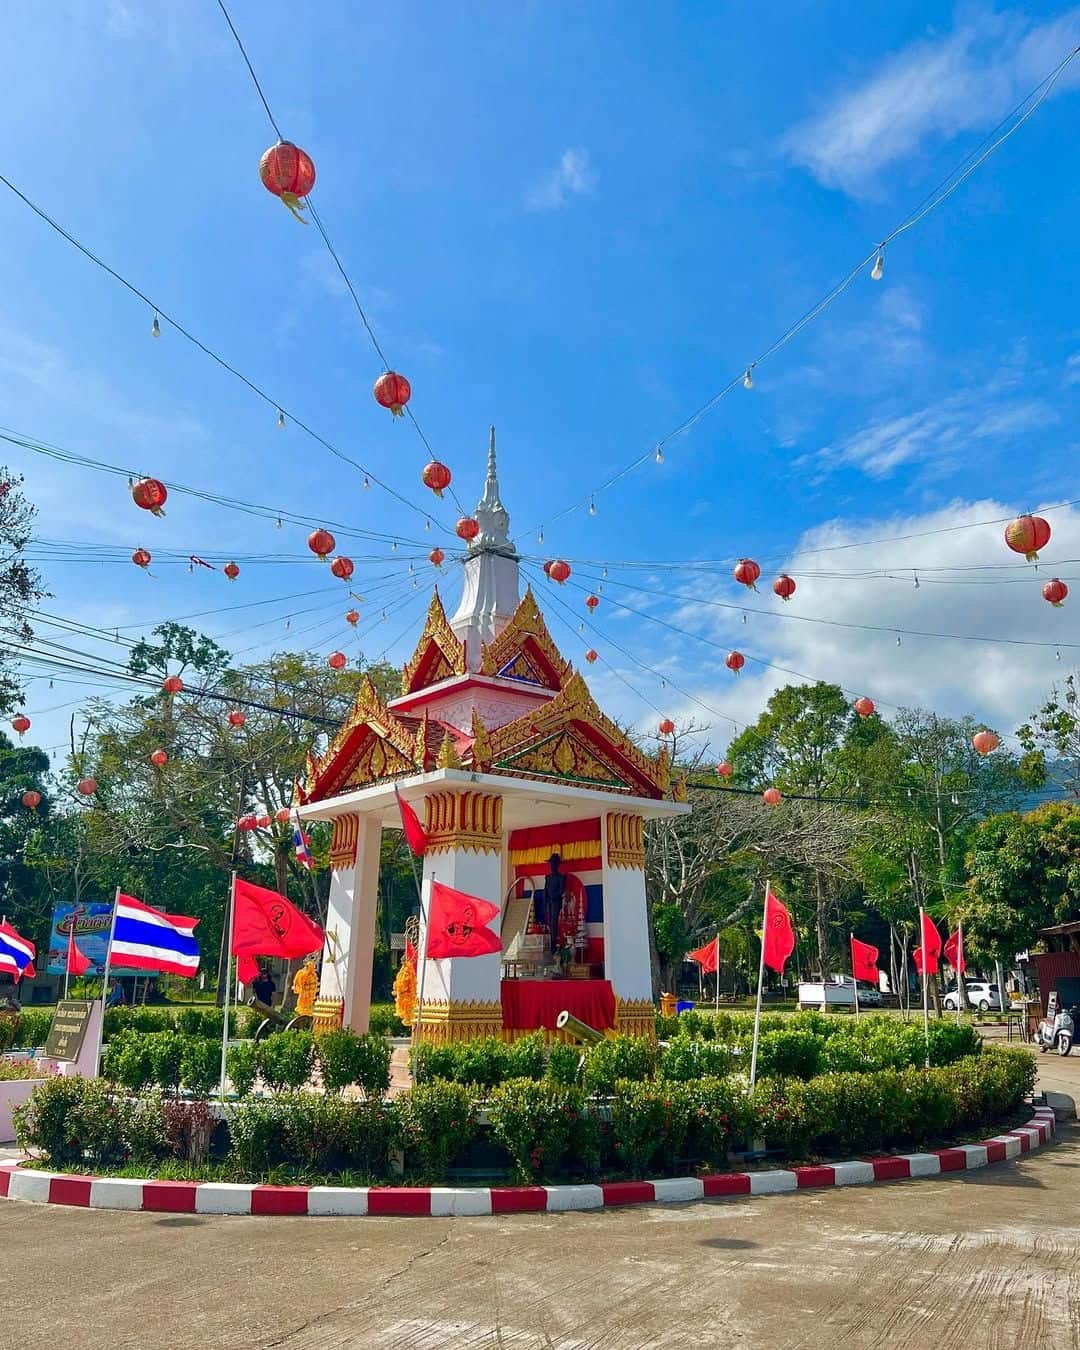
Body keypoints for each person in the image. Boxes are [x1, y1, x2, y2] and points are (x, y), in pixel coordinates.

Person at [536, 853, 566, 953]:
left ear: (557, 864)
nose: (551, 865)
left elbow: (561, 890)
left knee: (554, 922)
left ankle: (553, 942)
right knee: (548, 921)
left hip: (556, 902)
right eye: (551, 863)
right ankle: (549, 941)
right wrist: (545, 900)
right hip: (548, 902)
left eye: (553, 863)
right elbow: (545, 889)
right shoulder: (548, 877)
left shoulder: (561, 877)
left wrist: (553, 897)